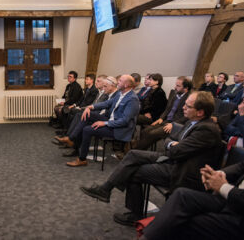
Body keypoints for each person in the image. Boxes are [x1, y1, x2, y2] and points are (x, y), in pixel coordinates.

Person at [80, 91, 222, 226]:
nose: (183, 107)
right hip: (175, 160)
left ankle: (131, 210)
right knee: (133, 154)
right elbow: (172, 141)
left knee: (133, 172)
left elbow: (175, 150)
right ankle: (106, 189)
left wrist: (171, 144)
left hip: (183, 171)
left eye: (188, 106)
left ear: (200, 112)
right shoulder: (193, 121)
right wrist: (172, 143)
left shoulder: (206, 130)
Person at [141, 161, 244, 240]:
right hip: (233, 199)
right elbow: (241, 166)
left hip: (238, 212)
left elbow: (175, 151)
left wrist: (222, 186)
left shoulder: (208, 134)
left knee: (183, 221)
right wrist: (216, 175)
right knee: (182, 195)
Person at [65, 75, 139, 167]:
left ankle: (82, 159)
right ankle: (71, 138)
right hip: (111, 121)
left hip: (119, 129)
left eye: (120, 81)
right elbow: (107, 103)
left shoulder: (132, 99)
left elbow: (124, 121)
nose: (117, 82)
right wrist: (91, 107)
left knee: (87, 130)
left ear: (126, 84)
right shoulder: (121, 93)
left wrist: (104, 123)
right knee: (88, 114)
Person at [133, 77, 192, 150]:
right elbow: (168, 109)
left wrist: (174, 124)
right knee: (145, 131)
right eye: (176, 85)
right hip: (167, 120)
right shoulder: (176, 94)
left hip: (176, 124)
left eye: (178, 86)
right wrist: (161, 118)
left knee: (152, 133)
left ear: (186, 88)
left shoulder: (190, 99)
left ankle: (135, 151)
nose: (175, 87)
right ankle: (138, 151)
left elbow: (187, 117)